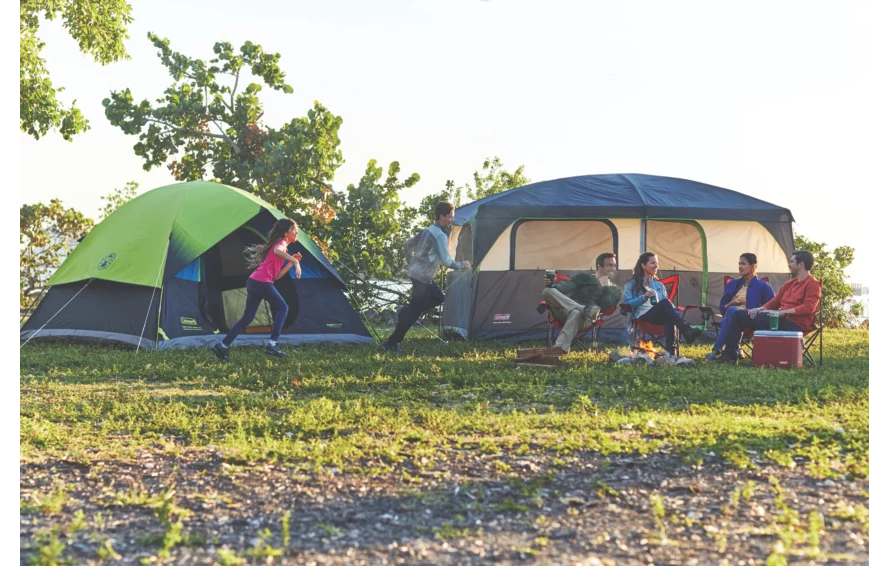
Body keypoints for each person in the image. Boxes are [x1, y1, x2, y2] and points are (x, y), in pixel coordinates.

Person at [382, 202, 470, 353]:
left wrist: (412, 263)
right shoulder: (439, 236)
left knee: (436, 298)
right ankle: (391, 343)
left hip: (417, 274)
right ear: (441, 216)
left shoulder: (428, 230)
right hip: (422, 277)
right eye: (450, 217)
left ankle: (405, 312)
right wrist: (464, 264)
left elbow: (407, 245)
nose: (451, 220)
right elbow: (447, 261)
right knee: (415, 311)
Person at [211, 218, 303, 361]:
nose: (295, 232)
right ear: (285, 232)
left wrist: (291, 263)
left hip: (254, 281)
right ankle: (272, 344)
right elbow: (278, 251)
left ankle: (222, 346)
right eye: (293, 229)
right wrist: (295, 260)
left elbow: (277, 276)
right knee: (283, 308)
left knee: (247, 318)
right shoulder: (281, 243)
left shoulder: (283, 247)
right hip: (261, 282)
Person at [719, 250, 821, 362]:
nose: (789, 264)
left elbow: (808, 307)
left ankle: (761, 358)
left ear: (801, 264)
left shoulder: (813, 284)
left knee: (763, 319)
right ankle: (730, 356)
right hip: (779, 319)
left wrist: (782, 312)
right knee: (738, 315)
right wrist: (759, 309)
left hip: (796, 324)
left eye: (792, 262)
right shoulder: (789, 284)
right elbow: (774, 302)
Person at [622, 252, 701, 354]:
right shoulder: (631, 284)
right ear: (643, 265)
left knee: (668, 313)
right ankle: (685, 330)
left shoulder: (659, 285)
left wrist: (674, 310)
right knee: (664, 304)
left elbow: (667, 304)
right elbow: (627, 304)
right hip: (642, 317)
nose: (656, 266)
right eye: (653, 263)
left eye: (657, 263)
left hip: (658, 316)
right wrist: (643, 297)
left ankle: (670, 352)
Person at [704, 253, 775, 362]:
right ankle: (735, 347)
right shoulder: (733, 284)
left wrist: (757, 310)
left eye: (743, 264)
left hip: (751, 319)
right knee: (731, 310)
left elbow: (772, 306)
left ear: (753, 266)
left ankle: (716, 351)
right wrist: (731, 303)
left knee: (731, 313)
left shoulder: (763, 285)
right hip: (731, 318)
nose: (740, 267)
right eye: (739, 264)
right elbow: (723, 308)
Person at [542, 260, 622, 353]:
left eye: (614, 266)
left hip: (585, 318)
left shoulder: (611, 289)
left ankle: (559, 348)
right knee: (547, 291)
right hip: (563, 312)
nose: (613, 268)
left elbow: (605, 307)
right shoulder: (581, 281)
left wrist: (603, 288)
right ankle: (581, 308)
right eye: (609, 265)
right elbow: (562, 289)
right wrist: (551, 285)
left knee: (576, 313)